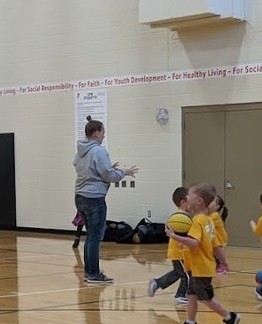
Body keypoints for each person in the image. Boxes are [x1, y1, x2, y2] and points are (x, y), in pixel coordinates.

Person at [164, 182, 240, 324]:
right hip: (200, 266)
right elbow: (216, 245)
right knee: (191, 294)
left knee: (205, 297)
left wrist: (175, 237)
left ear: (199, 201)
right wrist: (224, 261)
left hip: (200, 267)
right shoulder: (208, 221)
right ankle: (190, 323)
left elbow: (194, 242)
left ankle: (229, 316)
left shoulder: (198, 221)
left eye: (189, 195)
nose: (187, 198)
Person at [73, 120, 137, 284]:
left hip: (80, 197)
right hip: (94, 199)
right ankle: (93, 273)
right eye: (102, 132)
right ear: (96, 133)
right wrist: (123, 172)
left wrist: (109, 168)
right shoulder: (98, 151)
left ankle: (90, 271)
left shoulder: (80, 152)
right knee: (95, 236)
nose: (104, 135)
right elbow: (108, 176)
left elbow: (90, 171)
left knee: (90, 235)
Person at [147, 186, 191, 304]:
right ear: (183, 202)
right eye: (190, 199)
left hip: (177, 251)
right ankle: (181, 295)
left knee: (177, 272)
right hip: (179, 252)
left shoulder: (180, 217)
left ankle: (157, 283)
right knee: (187, 275)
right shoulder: (179, 219)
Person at [210, 194, 230, 274]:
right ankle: (217, 265)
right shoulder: (210, 215)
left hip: (219, 238)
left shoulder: (214, 215)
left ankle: (223, 266)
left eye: (211, 201)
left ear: (217, 207)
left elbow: (206, 222)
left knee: (218, 253)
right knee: (213, 253)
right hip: (214, 238)